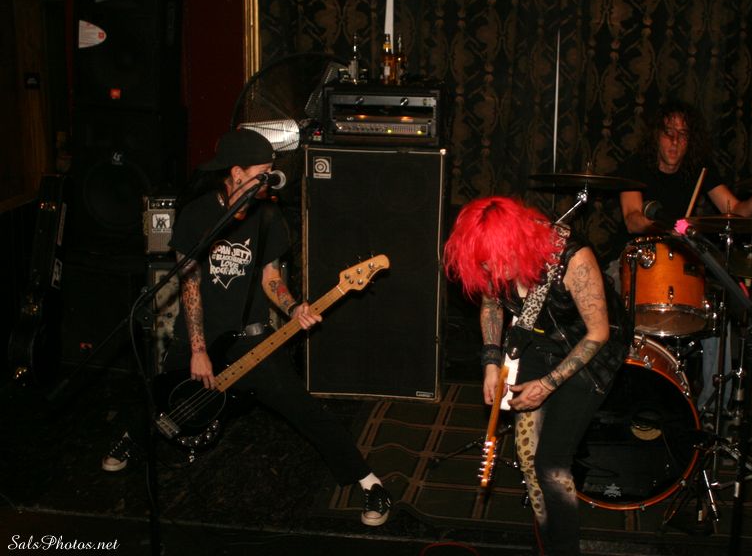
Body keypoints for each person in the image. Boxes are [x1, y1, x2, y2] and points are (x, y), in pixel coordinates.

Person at [102, 129, 391, 527]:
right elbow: (189, 284)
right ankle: (130, 438)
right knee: (163, 394)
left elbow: (272, 279)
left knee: (305, 410)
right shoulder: (196, 215)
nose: (269, 180)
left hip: (250, 339)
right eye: (262, 172)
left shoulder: (267, 216)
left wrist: (293, 307)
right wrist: (198, 349)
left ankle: (370, 483)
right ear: (236, 173)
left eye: (271, 171)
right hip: (200, 335)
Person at [444, 196, 625, 556]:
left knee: (552, 466)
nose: (492, 272)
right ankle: (547, 537)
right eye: (484, 265)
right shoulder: (492, 256)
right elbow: (492, 304)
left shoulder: (573, 258)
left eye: (496, 262)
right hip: (537, 342)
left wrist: (547, 385)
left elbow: (598, 333)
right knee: (528, 457)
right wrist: (491, 361)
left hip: (586, 352)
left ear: (516, 244)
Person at [612, 100, 752, 411]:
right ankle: (615, 397)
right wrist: (666, 225)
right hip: (636, 261)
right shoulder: (636, 166)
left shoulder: (700, 170)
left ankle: (710, 410)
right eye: (668, 132)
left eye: (683, 134)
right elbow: (633, 219)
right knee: (604, 302)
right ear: (656, 135)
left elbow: (735, 210)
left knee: (715, 312)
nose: (675, 141)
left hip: (683, 262)